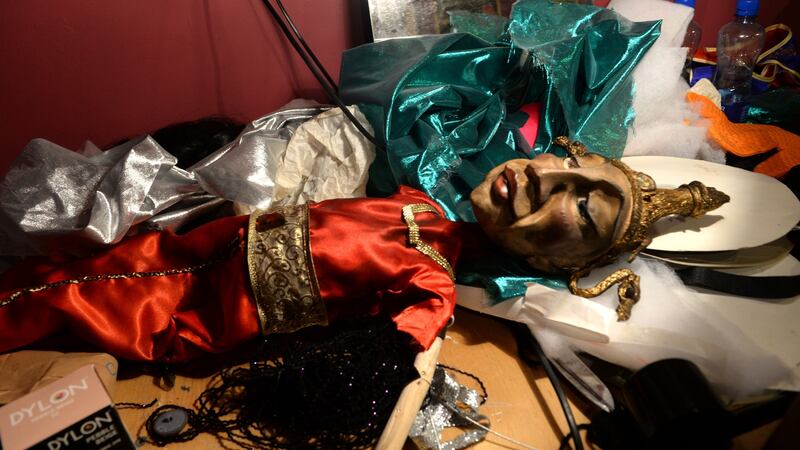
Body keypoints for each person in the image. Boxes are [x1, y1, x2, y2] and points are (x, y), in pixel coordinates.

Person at [0, 138, 728, 362]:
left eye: (581, 204)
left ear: (562, 266)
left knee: (39, 312)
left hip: (161, 327)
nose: (542, 173)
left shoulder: (432, 287)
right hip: (160, 255)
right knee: (45, 280)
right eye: (565, 158)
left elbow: (386, 371)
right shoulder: (412, 204)